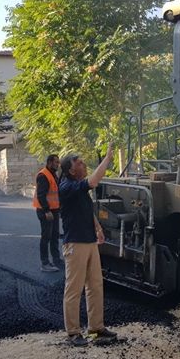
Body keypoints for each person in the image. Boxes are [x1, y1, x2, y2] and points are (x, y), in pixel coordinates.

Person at [59, 145, 118, 346]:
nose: (84, 165)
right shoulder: (66, 186)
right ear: (70, 169)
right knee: (74, 288)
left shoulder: (77, 187)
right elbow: (93, 181)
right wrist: (108, 159)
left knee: (95, 285)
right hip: (75, 243)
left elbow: (86, 209)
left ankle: (96, 328)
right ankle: (73, 333)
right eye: (80, 163)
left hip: (89, 241)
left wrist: (98, 227)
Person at [33, 154, 64, 272]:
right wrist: (46, 210)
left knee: (55, 235)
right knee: (46, 236)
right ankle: (45, 263)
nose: (57, 164)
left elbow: (55, 193)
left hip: (54, 210)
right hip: (45, 211)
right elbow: (41, 195)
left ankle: (56, 259)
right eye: (56, 162)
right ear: (50, 162)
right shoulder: (43, 175)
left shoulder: (53, 175)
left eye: (58, 162)